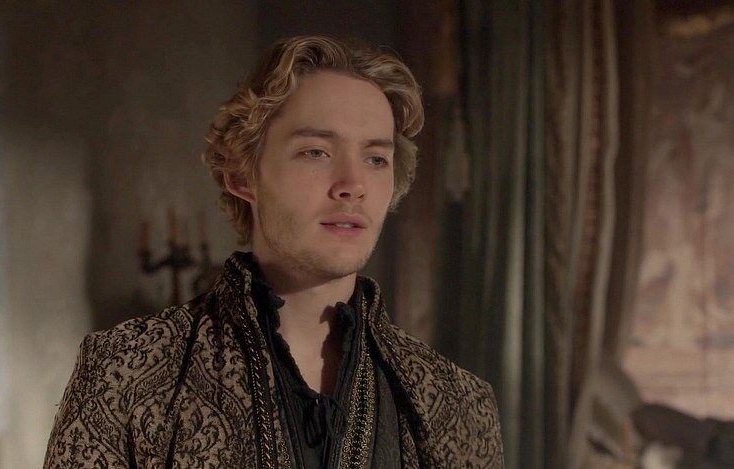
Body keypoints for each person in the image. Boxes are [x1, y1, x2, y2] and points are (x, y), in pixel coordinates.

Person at [44, 35, 503, 468]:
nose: (353, 185)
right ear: (242, 174)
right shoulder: (124, 370)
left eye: (375, 159)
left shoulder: (458, 403)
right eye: (316, 152)